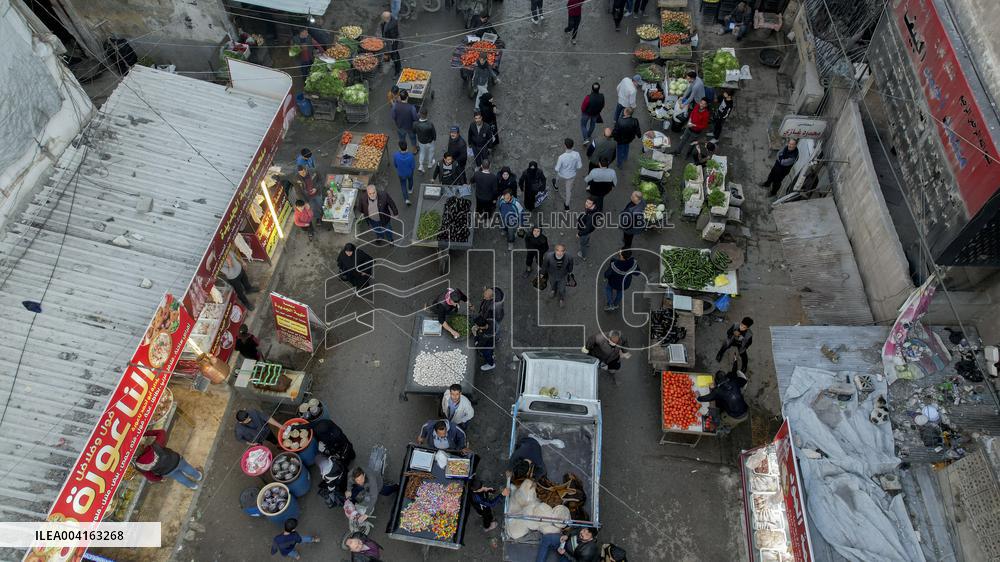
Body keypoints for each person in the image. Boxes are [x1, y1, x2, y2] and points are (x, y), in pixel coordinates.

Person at [133, 429, 203, 489]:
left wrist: (159, 479)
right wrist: (144, 433)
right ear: (142, 446)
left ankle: (193, 486)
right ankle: (198, 476)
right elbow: (162, 432)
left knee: (180, 478)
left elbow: (150, 477)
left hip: (166, 472)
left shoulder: (139, 465)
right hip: (175, 460)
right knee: (186, 467)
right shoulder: (155, 446)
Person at [698, 364, 750, 432]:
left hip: (735, 417)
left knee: (722, 419)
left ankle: (725, 429)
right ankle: (731, 425)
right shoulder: (734, 381)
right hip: (746, 411)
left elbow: (705, 398)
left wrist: (698, 396)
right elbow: (744, 381)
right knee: (733, 419)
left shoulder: (718, 391)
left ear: (716, 381)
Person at [536, 527, 600, 562]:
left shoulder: (588, 551)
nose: (583, 534)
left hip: (569, 557)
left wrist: (565, 553)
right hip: (564, 543)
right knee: (547, 538)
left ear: (590, 539)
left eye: (587, 535)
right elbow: (573, 529)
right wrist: (566, 535)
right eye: (584, 531)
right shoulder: (583, 529)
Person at [541, 244, 575, 308]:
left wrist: (569, 272)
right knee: (552, 284)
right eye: (558, 250)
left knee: (562, 289)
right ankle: (553, 290)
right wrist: (542, 274)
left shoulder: (569, 257)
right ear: (555, 251)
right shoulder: (548, 256)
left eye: (562, 251)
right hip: (552, 275)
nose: (559, 253)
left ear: (564, 251)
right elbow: (544, 265)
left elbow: (571, 265)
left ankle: (561, 299)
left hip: (563, 276)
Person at [554, 138, 583, 211]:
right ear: (573, 145)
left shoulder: (561, 157)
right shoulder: (577, 154)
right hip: (571, 176)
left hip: (562, 175)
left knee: (557, 177)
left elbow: (557, 169)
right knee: (568, 191)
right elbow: (579, 166)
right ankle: (567, 206)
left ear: (565, 146)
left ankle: (556, 187)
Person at [392, 141, 416, 206]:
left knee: (403, 185)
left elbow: (395, 164)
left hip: (401, 174)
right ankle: (410, 189)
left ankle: (406, 199)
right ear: (407, 147)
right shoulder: (411, 156)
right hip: (409, 172)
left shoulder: (396, 155)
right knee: (410, 180)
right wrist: (412, 170)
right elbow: (413, 166)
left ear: (399, 148)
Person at [413, 109, 437, 173]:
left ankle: (421, 165)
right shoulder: (430, 124)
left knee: (422, 153)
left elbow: (414, 132)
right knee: (431, 153)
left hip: (421, 142)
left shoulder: (415, 124)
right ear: (426, 115)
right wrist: (434, 139)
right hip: (430, 142)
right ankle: (430, 164)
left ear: (420, 115)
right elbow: (434, 134)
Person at [576, 196, 598, 260]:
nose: (586, 204)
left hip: (585, 232)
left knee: (582, 245)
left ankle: (583, 255)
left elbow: (586, 229)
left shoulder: (591, 216)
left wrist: (579, 234)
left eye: (589, 203)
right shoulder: (593, 209)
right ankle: (587, 243)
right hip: (589, 230)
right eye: (587, 201)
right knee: (588, 237)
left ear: (593, 204)